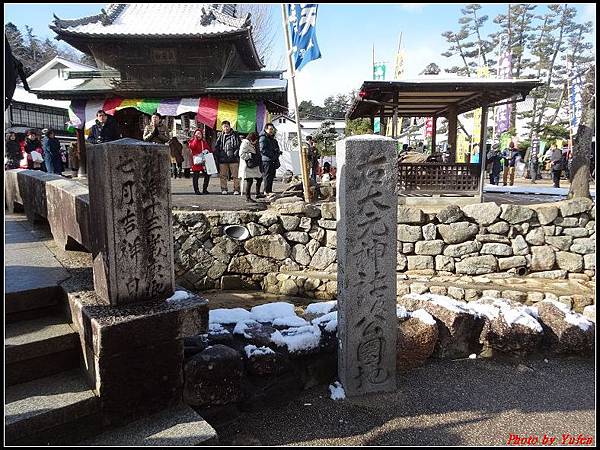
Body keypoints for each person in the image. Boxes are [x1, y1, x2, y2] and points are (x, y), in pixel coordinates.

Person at [214, 120, 241, 195]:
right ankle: (224, 189)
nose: (226, 128)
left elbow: (239, 146)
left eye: (227, 126)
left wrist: (236, 154)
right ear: (222, 128)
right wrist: (218, 155)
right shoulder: (220, 136)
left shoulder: (235, 135)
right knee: (223, 176)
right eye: (224, 127)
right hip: (223, 159)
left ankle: (236, 189)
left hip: (233, 159)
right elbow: (217, 147)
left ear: (229, 126)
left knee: (236, 176)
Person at [239, 132, 263, 203]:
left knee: (260, 178)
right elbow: (241, 154)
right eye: (255, 140)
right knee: (249, 181)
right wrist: (250, 156)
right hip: (248, 165)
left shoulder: (253, 143)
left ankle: (257, 193)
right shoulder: (245, 143)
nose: (256, 141)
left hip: (254, 164)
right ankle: (248, 197)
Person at [259, 123, 282, 198]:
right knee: (267, 176)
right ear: (266, 129)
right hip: (266, 160)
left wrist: (277, 153)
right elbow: (262, 150)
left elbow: (276, 148)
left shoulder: (272, 138)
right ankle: (266, 191)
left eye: (272, 129)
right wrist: (272, 155)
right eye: (270, 129)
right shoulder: (263, 138)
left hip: (272, 159)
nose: (271, 130)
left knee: (271, 176)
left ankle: (269, 190)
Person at [188, 128, 212, 195]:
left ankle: (205, 189)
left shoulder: (204, 142)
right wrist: (195, 139)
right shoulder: (192, 141)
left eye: (199, 134)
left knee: (207, 175)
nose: (198, 135)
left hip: (204, 161)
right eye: (197, 133)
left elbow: (208, 149)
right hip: (196, 161)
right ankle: (196, 190)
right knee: (196, 176)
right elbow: (193, 147)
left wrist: (207, 151)